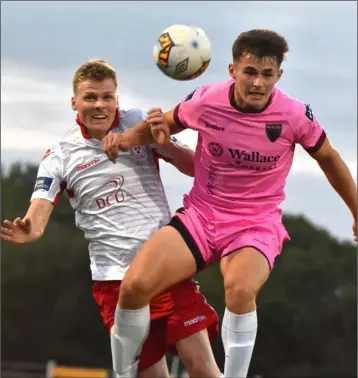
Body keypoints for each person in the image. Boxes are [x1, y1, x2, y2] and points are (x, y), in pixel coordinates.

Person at [102, 29, 358, 378]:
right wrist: (123, 139)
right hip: (201, 216)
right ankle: (122, 372)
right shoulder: (206, 101)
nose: (257, 83)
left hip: (255, 224)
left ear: (278, 76)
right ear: (232, 70)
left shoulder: (295, 116)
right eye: (250, 72)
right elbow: (159, 126)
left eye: (267, 75)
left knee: (239, 291)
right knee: (134, 288)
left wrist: (356, 211)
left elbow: (329, 159)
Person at [0, 59, 222, 378]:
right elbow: (38, 214)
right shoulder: (59, 155)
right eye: (90, 97)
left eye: (107, 96)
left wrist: (163, 144)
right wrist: (29, 230)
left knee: (202, 367)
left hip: (163, 266)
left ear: (117, 98)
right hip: (114, 280)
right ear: (74, 102)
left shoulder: (138, 124)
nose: (100, 105)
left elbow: (193, 166)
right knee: (153, 375)